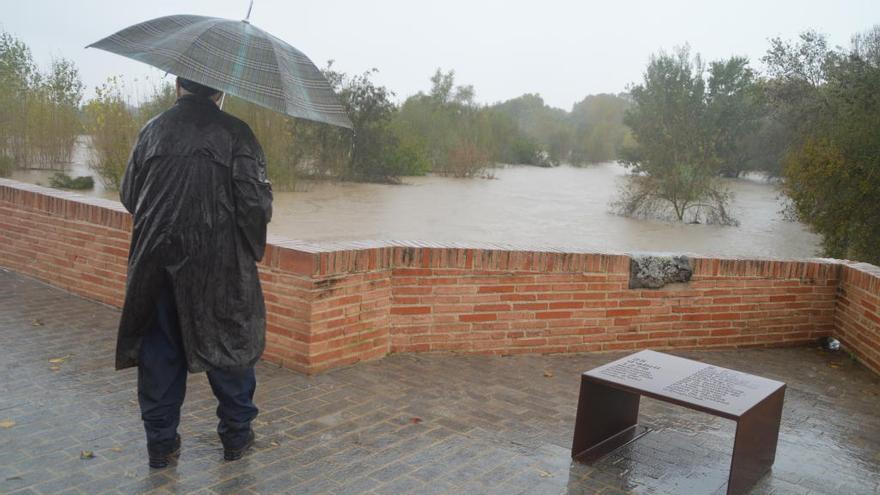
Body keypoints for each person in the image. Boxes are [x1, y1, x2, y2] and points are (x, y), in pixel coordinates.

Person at [116, 76, 273, 468]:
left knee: (160, 356)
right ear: (220, 91)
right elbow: (254, 205)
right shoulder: (237, 134)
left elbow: (129, 196)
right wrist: (251, 239)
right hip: (219, 267)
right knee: (231, 347)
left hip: (155, 265)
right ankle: (236, 440)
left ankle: (161, 446)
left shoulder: (151, 130)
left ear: (177, 85)